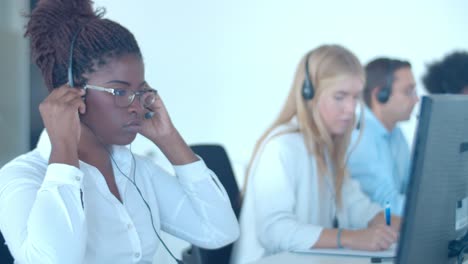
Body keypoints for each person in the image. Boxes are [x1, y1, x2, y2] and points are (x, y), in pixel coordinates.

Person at [0, 1, 239, 263]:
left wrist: (168, 138)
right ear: (69, 93)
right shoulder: (20, 178)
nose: (137, 106)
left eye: (139, 91)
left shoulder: (136, 169)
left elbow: (220, 232)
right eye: (120, 91)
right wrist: (64, 148)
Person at [230, 45, 400, 264]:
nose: (350, 108)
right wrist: (350, 238)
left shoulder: (328, 146)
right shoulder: (281, 147)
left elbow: (356, 205)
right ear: (308, 94)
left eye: (356, 97)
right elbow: (274, 231)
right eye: (340, 96)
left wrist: (406, 225)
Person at [347, 58, 419, 216]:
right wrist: (436, 209)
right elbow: (386, 206)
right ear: (380, 95)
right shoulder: (360, 139)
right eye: (408, 91)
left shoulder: (396, 133)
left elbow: (412, 188)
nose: (416, 99)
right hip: (376, 231)